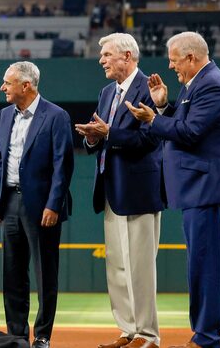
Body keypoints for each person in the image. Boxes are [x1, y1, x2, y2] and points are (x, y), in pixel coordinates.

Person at [126, 32, 220, 348]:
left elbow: (189, 133)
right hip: (199, 188)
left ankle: (206, 338)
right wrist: (163, 105)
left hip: (208, 187)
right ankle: (203, 335)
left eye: (175, 60)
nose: (171, 66)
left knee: (205, 266)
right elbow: (186, 123)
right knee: (200, 265)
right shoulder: (198, 84)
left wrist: (152, 119)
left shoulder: (213, 84)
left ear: (191, 57)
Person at [75, 34, 163, 348]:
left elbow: (151, 139)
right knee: (117, 266)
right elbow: (102, 137)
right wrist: (93, 138)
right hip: (111, 188)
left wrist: (109, 132)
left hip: (139, 189)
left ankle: (148, 335)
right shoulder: (106, 92)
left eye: (107, 55)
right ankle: (128, 331)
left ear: (127, 56)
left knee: (140, 266)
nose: (102, 60)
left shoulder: (150, 89)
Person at [0, 61, 73, 348]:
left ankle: (42, 336)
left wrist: (53, 204)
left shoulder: (56, 116)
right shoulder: (3, 115)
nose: (2, 87)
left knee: (44, 273)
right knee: (12, 273)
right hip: (10, 201)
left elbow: (63, 165)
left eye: (8, 82)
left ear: (26, 85)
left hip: (42, 206)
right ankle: (15, 335)